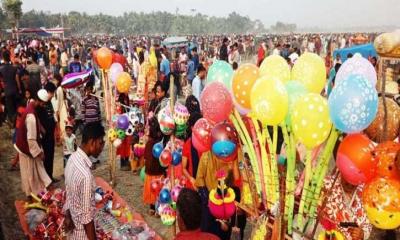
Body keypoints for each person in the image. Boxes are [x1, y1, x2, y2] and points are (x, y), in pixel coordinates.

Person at [64, 122, 105, 240]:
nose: (102, 148)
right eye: (101, 143)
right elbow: (87, 218)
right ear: (92, 142)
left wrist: (68, 214)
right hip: (82, 234)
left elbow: (69, 192)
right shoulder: (85, 176)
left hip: (73, 231)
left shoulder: (72, 158)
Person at [195, 149, 242, 240]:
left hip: (226, 202)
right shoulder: (206, 156)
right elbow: (199, 180)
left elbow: (236, 178)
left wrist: (234, 161)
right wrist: (208, 199)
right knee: (209, 231)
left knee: (224, 232)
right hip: (209, 203)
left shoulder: (230, 154)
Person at [14, 89, 52, 199]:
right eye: (43, 104)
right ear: (39, 102)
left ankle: (36, 193)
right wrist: (40, 153)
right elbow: (31, 140)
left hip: (25, 146)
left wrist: (40, 128)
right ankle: (32, 196)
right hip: (26, 148)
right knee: (30, 175)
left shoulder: (31, 106)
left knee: (33, 173)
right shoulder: (31, 116)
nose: (43, 106)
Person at [143, 117, 165, 215]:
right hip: (160, 171)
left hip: (150, 171)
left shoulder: (149, 143)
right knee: (159, 190)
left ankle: (152, 208)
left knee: (152, 190)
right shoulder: (162, 144)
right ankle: (158, 209)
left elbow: (145, 158)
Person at [37, 82, 58, 182]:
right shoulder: (40, 104)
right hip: (44, 136)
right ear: (48, 92)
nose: (53, 95)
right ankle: (46, 179)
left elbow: (52, 115)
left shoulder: (49, 103)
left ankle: (50, 176)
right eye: (52, 93)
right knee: (46, 157)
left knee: (51, 155)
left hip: (50, 134)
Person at [182, 112, 203, 189]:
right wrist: (191, 179)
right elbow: (183, 168)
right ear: (192, 127)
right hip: (193, 184)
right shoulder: (188, 144)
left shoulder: (207, 141)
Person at [0, 50, 21, 126]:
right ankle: (17, 122)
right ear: (9, 57)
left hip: (7, 91)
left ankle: (13, 123)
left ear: (3, 57)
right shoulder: (14, 68)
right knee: (16, 107)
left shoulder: (1, 69)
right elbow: (17, 80)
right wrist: (19, 89)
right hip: (14, 90)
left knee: (10, 109)